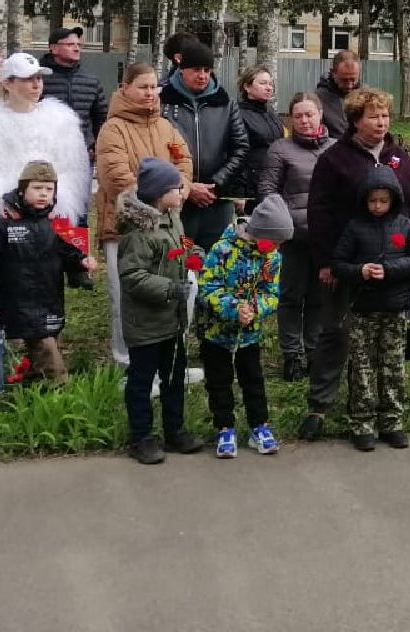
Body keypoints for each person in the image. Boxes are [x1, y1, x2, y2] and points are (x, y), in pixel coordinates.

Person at [0, 52, 90, 397]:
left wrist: (52, 208)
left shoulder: (61, 120)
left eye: (39, 78)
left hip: (45, 225)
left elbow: (73, 171)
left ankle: (42, 365)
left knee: (44, 295)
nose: (36, 84)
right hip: (1, 222)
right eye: (27, 79)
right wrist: (5, 204)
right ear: (7, 83)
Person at [300, 87, 410, 440]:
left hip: (393, 268)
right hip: (347, 263)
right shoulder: (335, 159)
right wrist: (325, 260)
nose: (381, 122)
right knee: (337, 332)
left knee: (387, 341)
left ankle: (386, 412)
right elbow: (319, 211)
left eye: (385, 115)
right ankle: (319, 405)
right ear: (356, 121)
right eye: (373, 116)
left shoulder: (400, 158)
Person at [94, 62, 193, 366]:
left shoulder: (165, 127)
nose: (150, 93)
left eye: (154, 87)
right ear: (125, 89)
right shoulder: (113, 129)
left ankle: (171, 357)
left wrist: (182, 190)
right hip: (125, 228)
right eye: (143, 87)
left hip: (168, 227)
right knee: (126, 295)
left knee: (180, 287)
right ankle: (129, 362)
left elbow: (184, 162)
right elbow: (115, 177)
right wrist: (159, 200)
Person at [332, 164, 410, 451]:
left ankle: (392, 421)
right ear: (364, 200)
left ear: (393, 200)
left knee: (393, 366)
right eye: (372, 200)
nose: (377, 206)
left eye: (383, 201)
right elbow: (339, 263)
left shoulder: (406, 226)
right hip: (363, 308)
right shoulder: (355, 227)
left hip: (395, 308)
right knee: (362, 366)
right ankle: (362, 422)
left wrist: (389, 269)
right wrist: (360, 270)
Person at [116, 158, 206, 465]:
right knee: (141, 381)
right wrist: (169, 289)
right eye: (177, 188)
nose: (183, 192)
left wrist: (193, 252)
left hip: (172, 321)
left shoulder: (172, 217)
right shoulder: (137, 233)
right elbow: (132, 277)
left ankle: (174, 430)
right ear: (158, 193)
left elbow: (180, 241)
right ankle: (141, 437)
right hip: (146, 325)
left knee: (174, 376)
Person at [0, 161, 97, 385]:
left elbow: (66, 253)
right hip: (19, 301)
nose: (44, 194)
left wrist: (82, 261)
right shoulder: (4, 225)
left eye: (49, 189)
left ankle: (32, 380)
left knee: (46, 341)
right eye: (37, 188)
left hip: (49, 298)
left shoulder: (56, 224)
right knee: (45, 347)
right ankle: (59, 388)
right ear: (23, 190)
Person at [195, 195, 293, 458]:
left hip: (249, 335)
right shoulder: (223, 250)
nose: (276, 248)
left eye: (280, 244)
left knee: (253, 380)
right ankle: (224, 427)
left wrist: (256, 308)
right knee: (219, 382)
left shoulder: (272, 258)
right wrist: (232, 308)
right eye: (274, 242)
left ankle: (259, 426)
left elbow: (271, 293)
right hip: (216, 333)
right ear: (259, 233)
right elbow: (208, 287)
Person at [258, 91, 335, 381]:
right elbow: (268, 189)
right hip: (292, 237)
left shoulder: (336, 148)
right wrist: (280, 223)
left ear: (320, 115)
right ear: (291, 118)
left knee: (318, 296)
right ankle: (292, 354)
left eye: (309, 114)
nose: (304, 120)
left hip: (324, 238)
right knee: (291, 296)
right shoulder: (281, 149)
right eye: (298, 115)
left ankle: (313, 350)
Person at [159, 38, 248, 249]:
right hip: (177, 199)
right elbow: (156, 150)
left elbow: (241, 147)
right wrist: (187, 187)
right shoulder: (163, 102)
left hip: (217, 200)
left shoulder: (225, 102)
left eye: (207, 70)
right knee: (179, 265)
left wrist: (215, 184)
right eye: (196, 69)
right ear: (181, 70)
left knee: (216, 268)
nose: (202, 76)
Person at [40, 26, 109, 153]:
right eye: (70, 44)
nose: (77, 48)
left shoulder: (91, 81)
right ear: (54, 48)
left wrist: (95, 145)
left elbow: (102, 118)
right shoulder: (38, 79)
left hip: (83, 151)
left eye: (78, 45)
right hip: (46, 150)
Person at [235, 65, 284, 202]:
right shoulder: (238, 115)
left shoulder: (271, 114)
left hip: (273, 183)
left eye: (270, 84)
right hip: (251, 187)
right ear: (247, 87)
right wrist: (239, 193)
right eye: (263, 83)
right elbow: (237, 155)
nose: (269, 87)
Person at [315, 50, 361, 139]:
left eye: (353, 79)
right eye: (344, 80)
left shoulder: (367, 96)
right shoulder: (319, 99)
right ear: (333, 73)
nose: (349, 85)